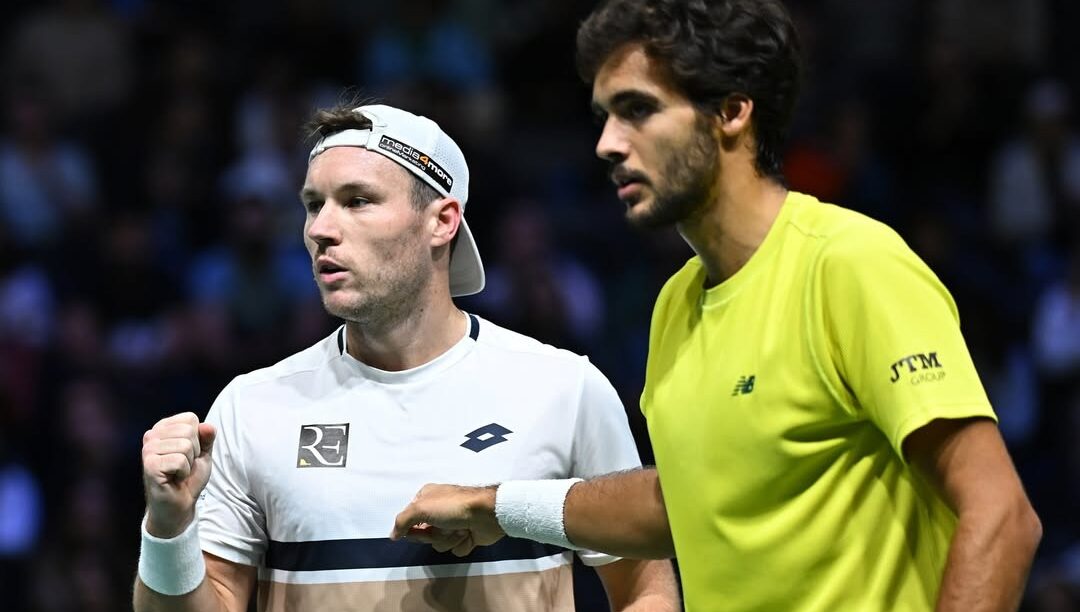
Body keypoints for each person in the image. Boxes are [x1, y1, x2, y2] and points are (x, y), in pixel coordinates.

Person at [390, 1, 1044, 610]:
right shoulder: (676, 302)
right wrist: (495, 506)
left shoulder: (850, 266)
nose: (607, 144)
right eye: (604, 117)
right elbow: (684, 504)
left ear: (732, 112)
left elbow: (1002, 515)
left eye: (638, 111)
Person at [133, 102, 679, 611]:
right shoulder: (250, 407)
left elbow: (645, 590)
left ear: (441, 221)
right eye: (312, 205)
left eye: (357, 201)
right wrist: (168, 528)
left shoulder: (564, 388)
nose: (321, 229)